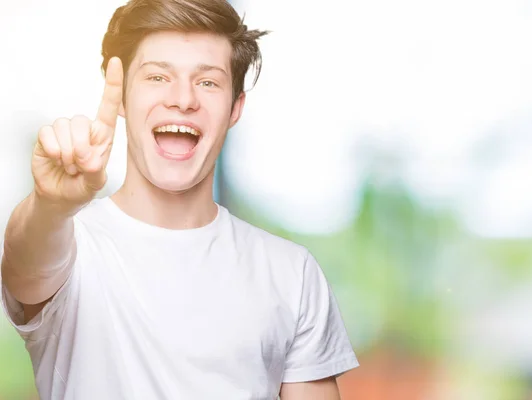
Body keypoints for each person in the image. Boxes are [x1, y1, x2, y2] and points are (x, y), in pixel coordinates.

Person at [0, 0, 359, 398]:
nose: (183, 99)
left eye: (208, 82)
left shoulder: (292, 274)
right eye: (157, 77)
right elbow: (26, 260)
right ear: (119, 97)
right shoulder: (74, 251)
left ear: (235, 107)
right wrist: (50, 205)